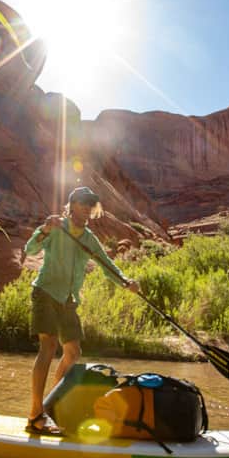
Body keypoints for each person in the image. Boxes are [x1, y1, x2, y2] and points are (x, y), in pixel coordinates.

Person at [24, 186, 139, 435]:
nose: (87, 208)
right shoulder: (56, 227)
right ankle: (35, 416)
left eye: (91, 204)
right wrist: (44, 230)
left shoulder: (88, 238)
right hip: (45, 292)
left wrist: (125, 282)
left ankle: (51, 406)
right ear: (72, 204)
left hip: (68, 300)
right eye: (83, 203)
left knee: (73, 352)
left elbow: (107, 264)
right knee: (49, 346)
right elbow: (29, 249)